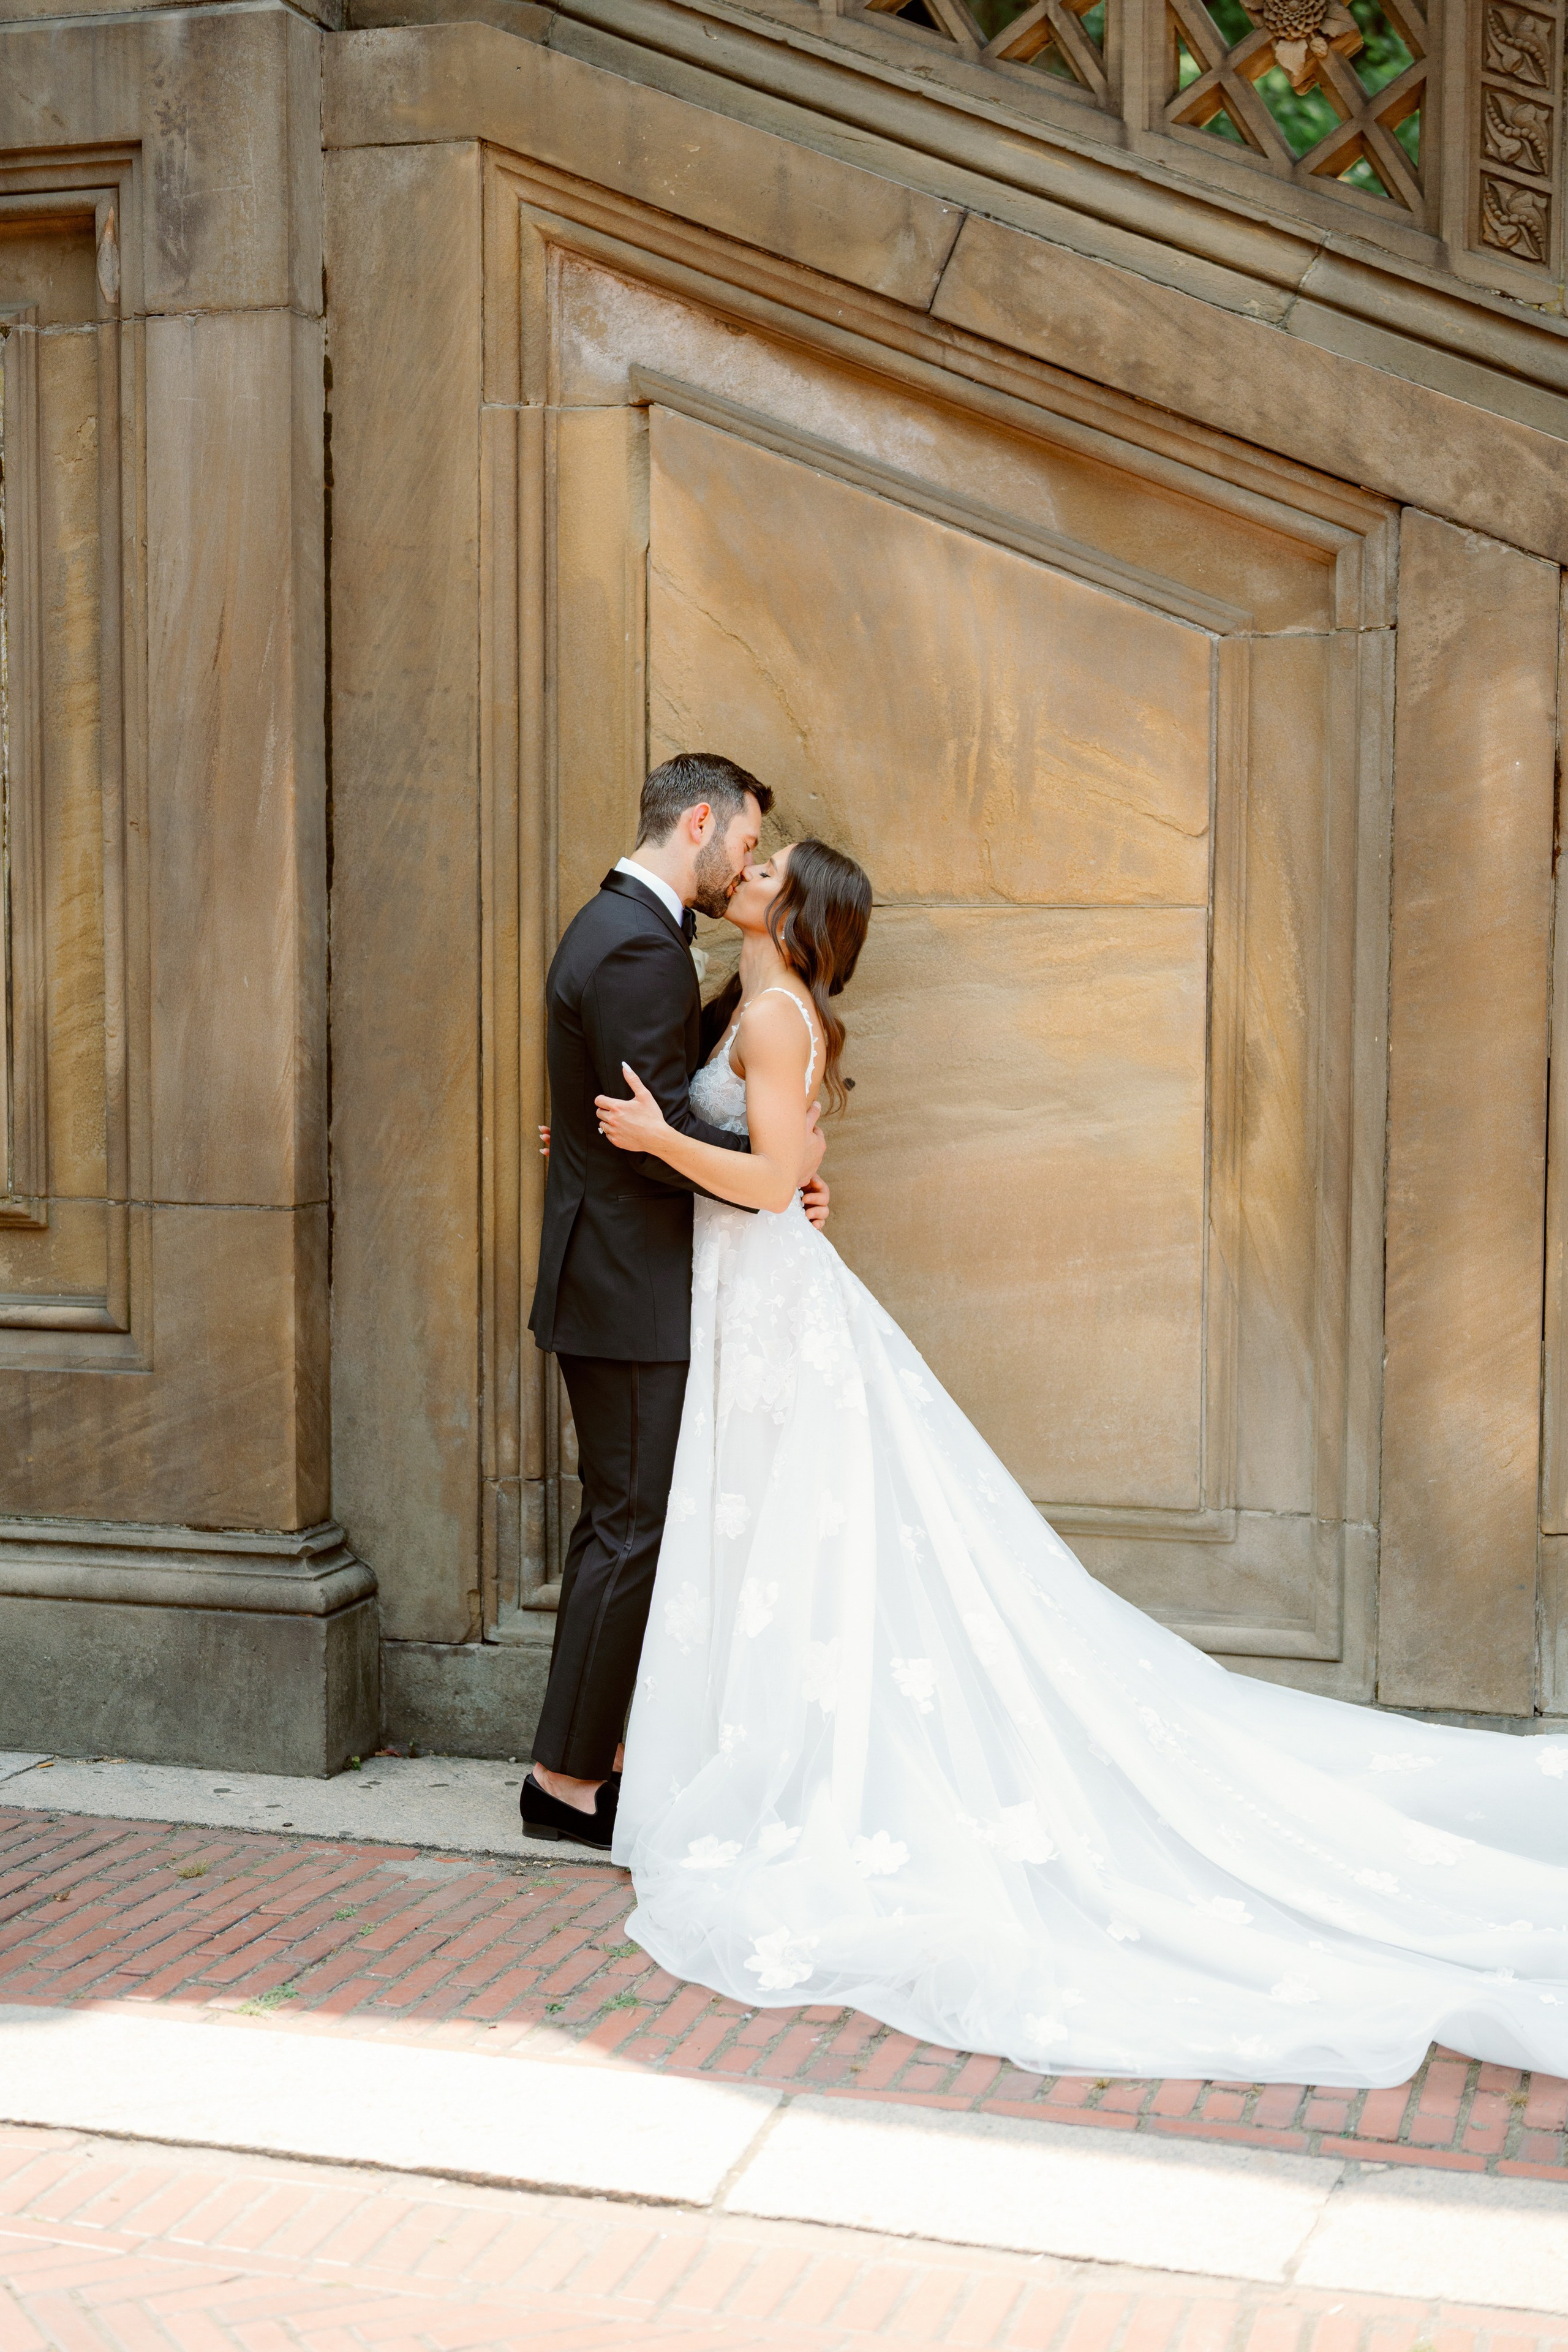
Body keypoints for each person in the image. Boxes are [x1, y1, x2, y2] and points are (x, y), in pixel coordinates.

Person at [594, 834, 1568, 2089]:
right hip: (749, 1301)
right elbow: (799, 1170)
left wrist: (651, 1142)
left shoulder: (777, 1018)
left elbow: (777, 1181)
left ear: (800, 913)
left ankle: (790, 1776)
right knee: (780, 1541)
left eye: (771, 867)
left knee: (793, 1537)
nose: (749, 871)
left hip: (771, 1307)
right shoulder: (749, 1006)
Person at [521, 753, 827, 1850]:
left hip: (616, 1273)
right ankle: (565, 1785)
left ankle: (588, 1759)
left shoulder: (620, 933)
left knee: (620, 1526)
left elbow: (630, 1116)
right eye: (746, 842)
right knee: (632, 1529)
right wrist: (775, 1178)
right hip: (627, 1283)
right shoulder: (641, 948)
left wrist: (779, 1165)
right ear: (699, 820)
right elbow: (650, 1143)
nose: (745, 862)